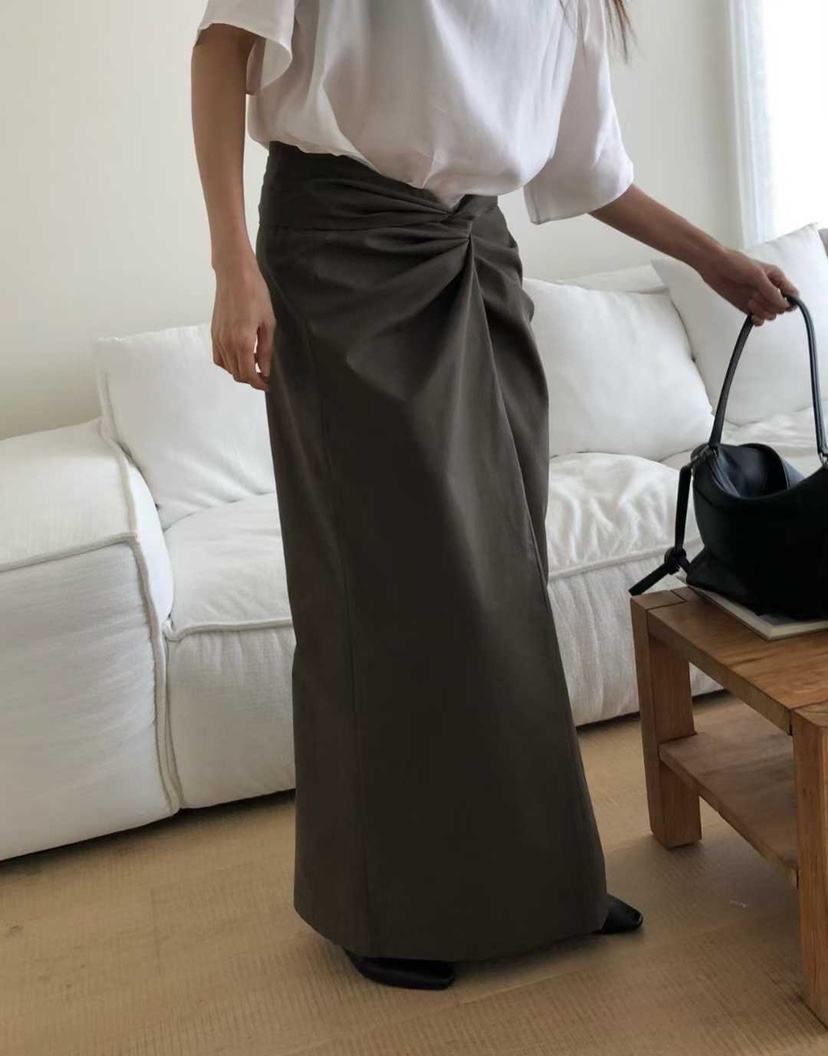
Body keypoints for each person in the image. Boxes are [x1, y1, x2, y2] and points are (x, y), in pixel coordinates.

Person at [190, 0, 797, 993]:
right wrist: (231, 265)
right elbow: (221, 52)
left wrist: (713, 261)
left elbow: (587, 168)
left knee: (506, 574)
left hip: (476, 250)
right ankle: (382, 902)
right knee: (385, 589)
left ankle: (543, 887)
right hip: (341, 250)